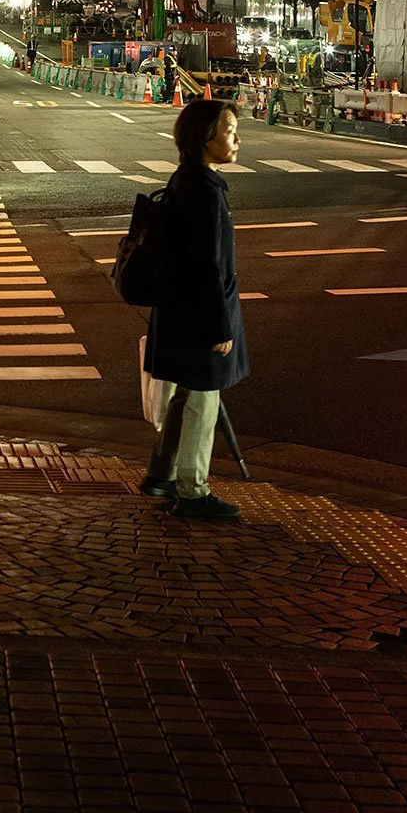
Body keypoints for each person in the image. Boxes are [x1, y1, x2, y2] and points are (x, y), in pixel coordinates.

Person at [141, 98, 248, 520]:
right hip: (199, 317)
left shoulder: (186, 180)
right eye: (228, 131)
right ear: (205, 139)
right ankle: (192, 490)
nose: (237, 138)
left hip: (179, 313)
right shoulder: (204, 193)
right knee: (203, 400)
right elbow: (210, 266)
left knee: (184, 397)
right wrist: (219, 328)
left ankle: (163, 475)